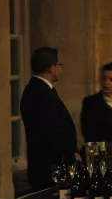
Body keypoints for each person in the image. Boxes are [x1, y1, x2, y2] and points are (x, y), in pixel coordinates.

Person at [20, 47, 78, 190]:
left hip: (48, 165)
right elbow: (52, 131)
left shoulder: (39, 89)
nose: (60, 70)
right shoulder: (40, 93)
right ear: (52, 67)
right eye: (59, 65)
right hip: (48, 168)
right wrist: (70, 153)